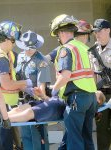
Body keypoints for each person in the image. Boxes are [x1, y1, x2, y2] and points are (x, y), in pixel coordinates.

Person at [49, 14, 97, 150]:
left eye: (58, 34)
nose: (58, 38)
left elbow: (65, 76)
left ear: (62, 32)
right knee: (87, 138)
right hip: (90, 97)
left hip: (76, 99)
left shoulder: (66, 49)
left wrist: (53, 90)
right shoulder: (82, 47)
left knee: (74, 139)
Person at [0, 21, 33, 150]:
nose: (14, 44)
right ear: (6, 39)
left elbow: (12, 80)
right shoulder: (1, 59)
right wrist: (28, 82)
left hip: (7, 107)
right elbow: (7, 85)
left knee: (12, 144)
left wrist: (24, 88)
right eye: (13, 40)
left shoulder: (6, 55)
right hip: (3, 108)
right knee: (5, 144)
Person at [16, 30, 51, 150]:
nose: (28, 51)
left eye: (31, 48)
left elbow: (42, 86)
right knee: (26, 135)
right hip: (22, 101)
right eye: (26, 48)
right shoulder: (20, 57)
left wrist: (39, 95)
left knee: (38, 136)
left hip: (36, 102)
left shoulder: (41, 61)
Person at [91, 18, 111, 150]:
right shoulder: (92, 51)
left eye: (100, 31)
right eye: (95, 32)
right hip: (100, 95)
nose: (97, 34)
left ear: (108, 30)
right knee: (101, 129)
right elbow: (91, 74)